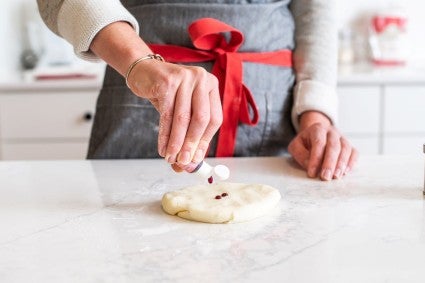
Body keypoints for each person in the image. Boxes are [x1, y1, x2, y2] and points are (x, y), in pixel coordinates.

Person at [37, 0, 357, 181]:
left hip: (274, 110)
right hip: (137, 92)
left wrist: (315, 115)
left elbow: (316, 11)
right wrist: (139, 63)